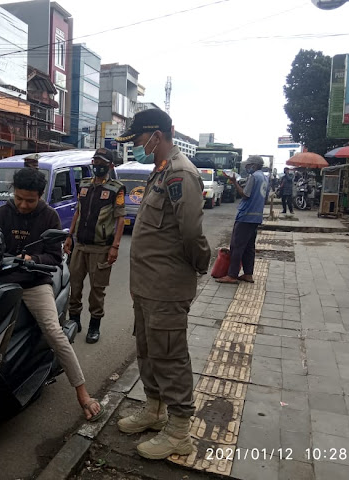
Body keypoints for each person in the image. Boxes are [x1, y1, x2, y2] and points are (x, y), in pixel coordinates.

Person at [114, 109, 211, 460]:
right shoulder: (159, 173)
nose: (137, 146)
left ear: (157, 135)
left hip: (167, 287)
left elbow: (190, 233)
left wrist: (200, 265)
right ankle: (154, 409)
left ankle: (179, 430)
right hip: (146, 286)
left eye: (139, 139)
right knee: (148, 350)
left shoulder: (181, 174)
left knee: (169, 355)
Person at [0, 167, 103, 421]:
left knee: (53, 332)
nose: (23, 204)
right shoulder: (0, 214)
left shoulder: (49, 217)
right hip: (0, 281)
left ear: (40, 195)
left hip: (34, 283)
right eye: (19, 198)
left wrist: (32, 258)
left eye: (30, 200)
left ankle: (82, 393)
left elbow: (54, 256)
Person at [63, 148, 126, 343]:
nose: (97, 166)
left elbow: (120, 219)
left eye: (102, 163)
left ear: (110, 166)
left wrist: (115, 247)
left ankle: (94, 326)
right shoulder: (83, 185)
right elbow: (77, 213)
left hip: (101, 248)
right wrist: (69, 236)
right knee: (74, 287)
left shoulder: (116, 188)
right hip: (80, 246)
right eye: (95, 162)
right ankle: (74, 322)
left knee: (97, 291)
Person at [216, 156, 269, 284]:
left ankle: (232, 275)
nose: (246, 167)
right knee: (249, 246)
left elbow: (245, 194)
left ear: (254, 166)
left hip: (246, 216)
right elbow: (265, 198)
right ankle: (248, 274)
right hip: (256, 217)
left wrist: (234, 182)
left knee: (237, 246)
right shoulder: (265, 178)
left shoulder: (254, 177)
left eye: (248, 165)